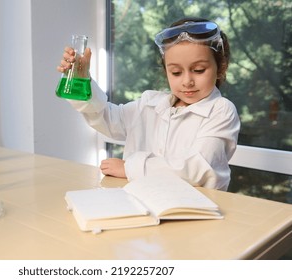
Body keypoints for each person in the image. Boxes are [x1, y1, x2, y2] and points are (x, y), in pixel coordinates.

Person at [56, 17, 240, 191]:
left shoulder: (221, 110)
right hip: (140, 204)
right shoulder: (149, 103)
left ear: (220, 68)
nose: (187, 81)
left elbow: (199, 168)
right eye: (176, 72)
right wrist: (81, 82)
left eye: (198, 70)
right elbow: (107, 118)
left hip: (194, 212)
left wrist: (130, 168)